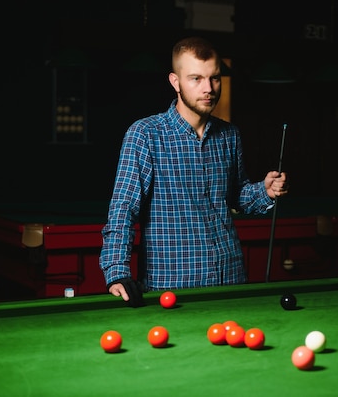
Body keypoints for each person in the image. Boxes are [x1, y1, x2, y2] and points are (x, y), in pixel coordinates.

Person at [99, 36, 289, 306]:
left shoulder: (229, 135)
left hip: (231, 278)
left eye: (214, 78)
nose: (208, 88)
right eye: (196, 79)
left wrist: (264, 191)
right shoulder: (145, 134)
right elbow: (123, 208)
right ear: (175, 82)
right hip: (172, 286)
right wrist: (116, 271)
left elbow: (237, 196)